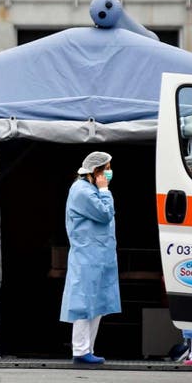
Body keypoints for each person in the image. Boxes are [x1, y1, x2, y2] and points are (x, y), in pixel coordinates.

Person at [60, 151, 120, 365]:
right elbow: (104, 214)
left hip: (99, 255)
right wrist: (105, 190)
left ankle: (88, 349)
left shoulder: (90, 189)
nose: (110, 172)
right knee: (84, 303)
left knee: (97, 303)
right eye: (107, 168)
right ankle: (80, 350)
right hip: (87, 255)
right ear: (96, 171)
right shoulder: (82, 191)